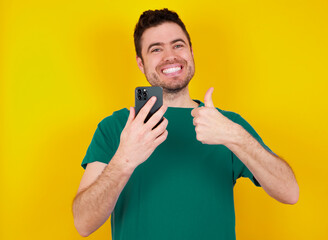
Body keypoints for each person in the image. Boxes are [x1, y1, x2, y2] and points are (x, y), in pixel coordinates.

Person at [72, 8, 299, 240]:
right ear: (141, 64)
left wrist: (234, 136)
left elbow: (290, 192)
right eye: (156, 49)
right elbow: (83, 223)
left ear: (191, 52)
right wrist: (124, 159)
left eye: (178, 45)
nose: (170, 56)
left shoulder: (224, 124)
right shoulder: (115, 127)